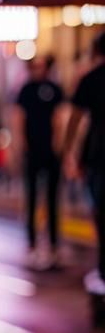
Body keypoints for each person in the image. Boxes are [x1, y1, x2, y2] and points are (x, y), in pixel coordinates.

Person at [63, 32, 105, 295]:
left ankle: (102, 271)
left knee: (101, 213)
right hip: (97, 155)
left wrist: (70, 152)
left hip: (99, 155)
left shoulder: (91, 79)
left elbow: (75, 119)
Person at [14, 56, 65, 269]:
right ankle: (32, 243)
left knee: (53, 199)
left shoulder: (55, 89)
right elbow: (18, 118)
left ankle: (53, 245)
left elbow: (61, 117)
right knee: (32, 198)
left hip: (51, 153)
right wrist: (20, 145)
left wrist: (59, 145)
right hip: (32, 152)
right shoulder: (26, 90)